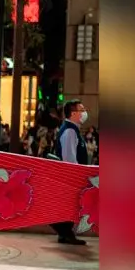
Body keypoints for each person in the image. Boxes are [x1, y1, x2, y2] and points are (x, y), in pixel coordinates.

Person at [50, 100, 90, 245]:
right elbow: (69, 158)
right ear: (73, 114)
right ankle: (64, 231)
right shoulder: (69, 131)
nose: (85, 112)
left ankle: (65, 233)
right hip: (71, 176)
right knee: (72, 205)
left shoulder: (73, 129)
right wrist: (76, 175)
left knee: (71, 206)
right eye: (82, 109)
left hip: (72, 176)